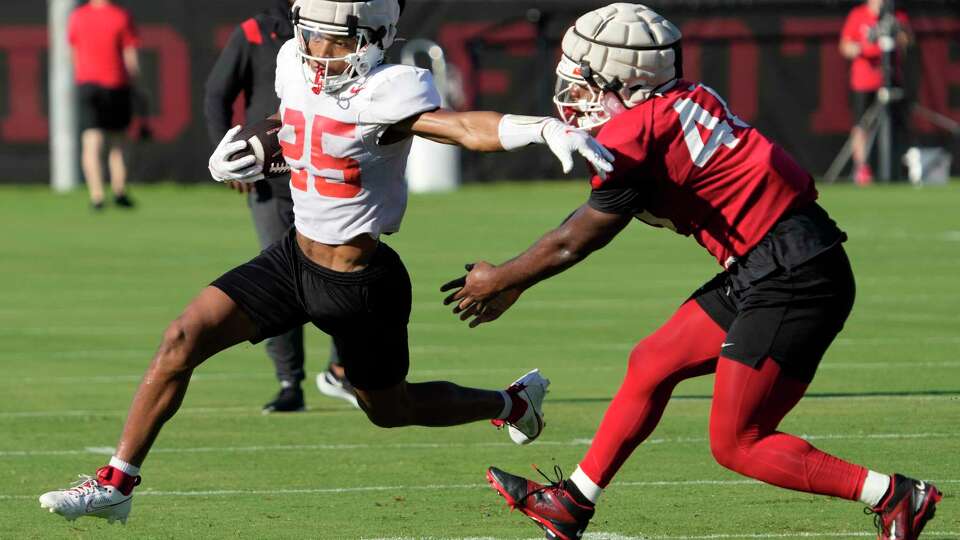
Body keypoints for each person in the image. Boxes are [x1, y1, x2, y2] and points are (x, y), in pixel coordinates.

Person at [37, 0, 615, 525]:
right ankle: (117, 482)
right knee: (181, 338)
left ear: (372, 37)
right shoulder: (292, 63)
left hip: (360, 283)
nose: (317, 50)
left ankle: (511, 402)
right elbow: (297, 129)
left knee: (391, 410)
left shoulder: (391, 90)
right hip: (292, 260)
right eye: (309, 36)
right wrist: (252, 149)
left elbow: (460, 127)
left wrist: (534, 128)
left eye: (331, 39)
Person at [442, 5, 942, 540]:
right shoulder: (680, 101)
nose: (574, 96)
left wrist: (502, 279)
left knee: (738, 443)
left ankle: (896, 497)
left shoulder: (635, 131)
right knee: (653, 360)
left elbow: (577, 239)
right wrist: (517, 279)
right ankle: (572, 503)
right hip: (776, 260)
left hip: (791, 274)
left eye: (585, 83)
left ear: (626, 84)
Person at [204, 0, 356, 413]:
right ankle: (290, 381)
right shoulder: (256, 32)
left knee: (340, 271)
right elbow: (217, 94)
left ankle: (342, 370)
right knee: (283, 273)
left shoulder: (342, 28)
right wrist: (231, 152)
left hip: (325, 169)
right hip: (272, 176)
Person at [68, 0, 140, 210]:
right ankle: (119, 191)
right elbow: (130, 57)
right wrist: (136, 84)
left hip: (87, 84)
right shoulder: (120, 15)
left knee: (92, 140)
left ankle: (97, 195)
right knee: (118, 140)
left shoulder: (78, 16)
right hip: (116, 84)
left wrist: (80, 77)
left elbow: (73, 52)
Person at [839, 0, 912, 185]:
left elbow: (907, 41)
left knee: (896, 124)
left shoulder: (897, 14)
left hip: (891, 79)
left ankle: (898, 166)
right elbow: (845, 46)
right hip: (864, 81)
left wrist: (897, 36)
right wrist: (863, 47)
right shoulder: (858, 15)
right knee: (862, 125)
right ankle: (862, 169)